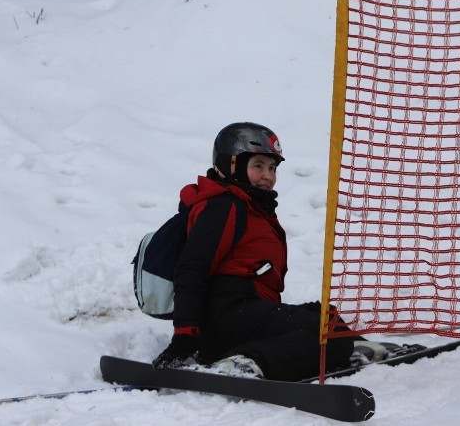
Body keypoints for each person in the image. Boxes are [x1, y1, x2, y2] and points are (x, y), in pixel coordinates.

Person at [152, 121, 356, 381]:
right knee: (327, 335)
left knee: (327, 318)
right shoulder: (225, 207)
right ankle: (247, 363)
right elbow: (191, 269)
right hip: (227, 314)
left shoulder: (251, 208)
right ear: (231, 165)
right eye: (258, 166)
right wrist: (184, 336)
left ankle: (350, 347)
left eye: (271, 168)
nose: (268, 176)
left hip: (246, 311)